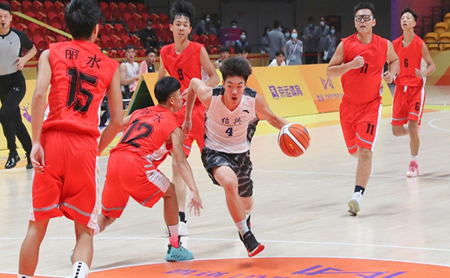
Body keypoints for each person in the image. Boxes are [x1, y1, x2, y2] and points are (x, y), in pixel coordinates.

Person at [17, 0, 124, 277]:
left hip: (52, 142)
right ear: (97, 29)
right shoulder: (110, 66)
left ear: (67, 25)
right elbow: (118, 121)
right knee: (85, 233)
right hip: (84, 146)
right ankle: (77, 273)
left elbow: (39, 96)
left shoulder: (50, 53)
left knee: (37, 226)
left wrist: (36, 142)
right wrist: (96, 149)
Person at [183, 57, 289, 257]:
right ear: (222, 83)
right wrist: (188, 117)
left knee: (246, 203)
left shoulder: (253, 99)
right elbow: (192, 84)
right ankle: (247, 235)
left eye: (239, 86)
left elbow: (273, 118)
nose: (234, 91)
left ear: (245, 85)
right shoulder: (209, 96)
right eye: (229, 85)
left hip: (241, 155)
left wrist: (291, 128)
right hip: (214, 151)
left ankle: (244, 219)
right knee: (229, 182)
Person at [97, 76, 203, 262]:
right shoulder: (173, 126)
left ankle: (82, 243)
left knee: (107, 215)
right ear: (171, 100)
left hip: (114, 159)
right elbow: (181, 163)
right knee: (170, 193)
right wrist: (194, 189)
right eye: (180, 96)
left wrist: (96, 148)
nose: (182, 99)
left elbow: (119, 124)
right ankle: (175, 247)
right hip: (136, 163)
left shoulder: (141, 111)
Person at [326, 2, 399, 216]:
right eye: (359, 18)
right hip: (348, 106)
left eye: (366, 17)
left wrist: (392, 74)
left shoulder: (384, 45)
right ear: (354, 23)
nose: (362, 21)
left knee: (365, 152)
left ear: (374, 21)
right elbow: (330, 72)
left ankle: (357, 195)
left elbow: (394, 61)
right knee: (355, 152)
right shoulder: (346, 45)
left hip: (371, 105)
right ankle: (365, 166)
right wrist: (349, 65)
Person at [158, 0, 219, 236]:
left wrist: (197, 87)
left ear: (190, 29)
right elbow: (161, 86)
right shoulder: (164, 52)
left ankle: (241, 210)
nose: (181, 28)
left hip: (199, 113)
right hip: (177, 116)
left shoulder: (198, 49)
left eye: (185, 24)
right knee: (177, 164)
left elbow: (214, 78)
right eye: (178, 24)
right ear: (171, 27)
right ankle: (180, 219)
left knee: (216, 164)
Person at [391, 8, 435, 177]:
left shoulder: (420, 44)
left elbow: (432, 65)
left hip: (416, 90)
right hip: (400, 89)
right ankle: (413, 131)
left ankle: (413, 163)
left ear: (414, 23)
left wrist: (423, 73)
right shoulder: (394, 44)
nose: (404, 20)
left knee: (412, 125)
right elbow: (390, 62)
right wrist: (390, 73)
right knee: (395, 131)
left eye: (408, 17)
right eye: (402, 17)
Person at [0, 3, 36, 169]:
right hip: (1, 84)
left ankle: (12, 152)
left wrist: (24, 60)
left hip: (16, 83)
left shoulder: (18, 35)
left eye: (5, 16)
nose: (2, 19)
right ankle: (30, 154)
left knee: (5, 113)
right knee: (15, 120)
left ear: (11, 18)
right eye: (0, 16)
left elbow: (34, 49)